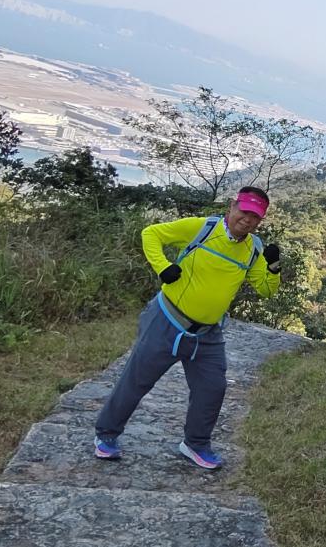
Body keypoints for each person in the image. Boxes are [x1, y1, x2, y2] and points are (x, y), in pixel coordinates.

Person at [92, 186, 283, 470]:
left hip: (207, 334)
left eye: (255, 216)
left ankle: (196, 444)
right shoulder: (202, 228)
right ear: (231, 206)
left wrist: (274, 268)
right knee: (137, 380)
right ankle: (106, 435)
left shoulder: (254, 249)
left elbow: (266, 290)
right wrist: (162, 267)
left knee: (212, 388)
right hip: (166, 320)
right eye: (244, 211)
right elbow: (151, 234)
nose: (247, 219)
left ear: (260, 220)